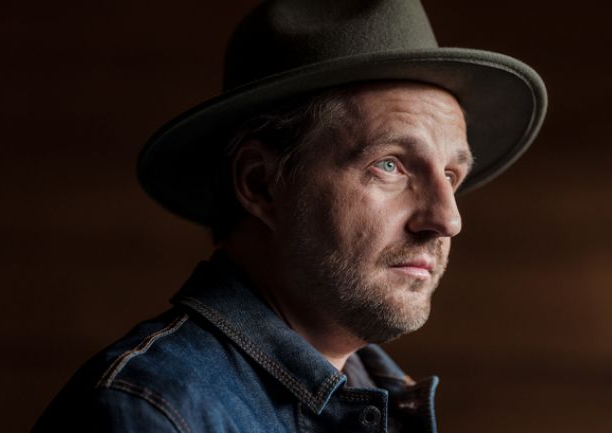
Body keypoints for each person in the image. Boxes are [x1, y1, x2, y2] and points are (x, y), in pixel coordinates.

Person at [32, 0, 546, 432]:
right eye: (389, 165)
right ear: (260, 183)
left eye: (452, 175)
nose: (447, 220)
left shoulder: (379, 392)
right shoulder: (153, 414)